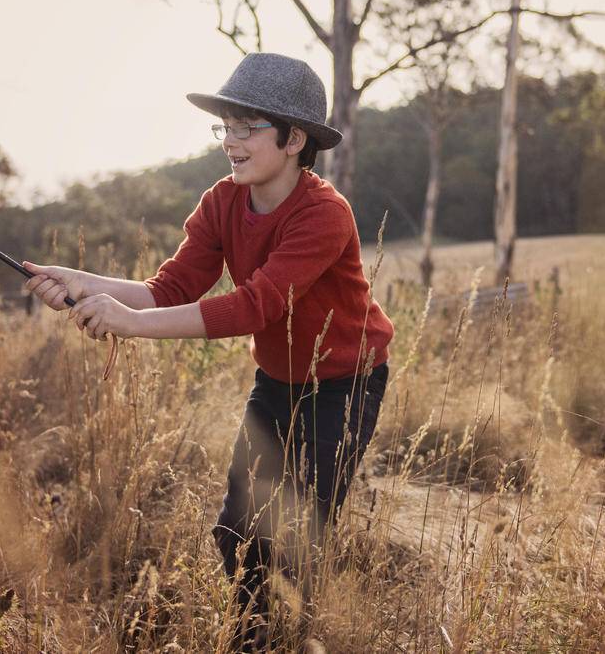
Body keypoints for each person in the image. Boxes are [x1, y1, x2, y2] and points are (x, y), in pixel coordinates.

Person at [23, 52, 394, 650]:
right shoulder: (222, 202)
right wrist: (81, 281)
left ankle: (287, 639)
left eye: (247, 127)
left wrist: (129, 325)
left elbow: (256, 306)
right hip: (277, 381)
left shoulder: (324, 213)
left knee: (297, 536)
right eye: (225, 126)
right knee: (236, 533)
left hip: (345, 383)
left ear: (295, 139)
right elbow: (166, 289)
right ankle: (253, 640)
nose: (230, 141)